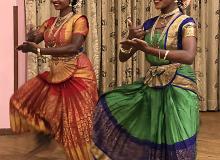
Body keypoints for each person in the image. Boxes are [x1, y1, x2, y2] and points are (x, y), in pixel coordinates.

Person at [91, 0, 199, 159]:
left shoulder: (186, 23)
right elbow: (123, 57)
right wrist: (131, 37)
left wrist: (150, 50)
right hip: (152, 83)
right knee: (151, 132)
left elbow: (189, 56)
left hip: (179, 85)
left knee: (176, 136)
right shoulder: (149, 24)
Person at [10, 0, 98, 159]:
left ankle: (87, 155)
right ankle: (48, 142)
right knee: (30, 103)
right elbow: (35, 39)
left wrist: (38, 50)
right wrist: (30, 37)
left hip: (78, 74)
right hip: (57, 73)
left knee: (77, 121)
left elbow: (74, 47)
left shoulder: (79, 20)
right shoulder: (50, 22)